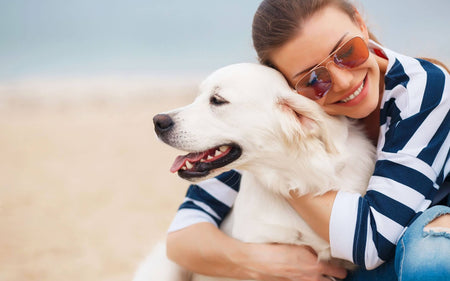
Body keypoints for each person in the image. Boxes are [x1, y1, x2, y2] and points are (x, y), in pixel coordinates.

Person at [166, 1, 450, 280]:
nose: (344, 81)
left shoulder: (423, 88)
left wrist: (280, 158)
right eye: (314, 78)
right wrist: (265, 263)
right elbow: (182, 239)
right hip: (343, 267)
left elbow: (371, 243)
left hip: (401, 257)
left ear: (360, 24)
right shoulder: (274, 113)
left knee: (432, 256)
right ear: (288, 88)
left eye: (347, 51)